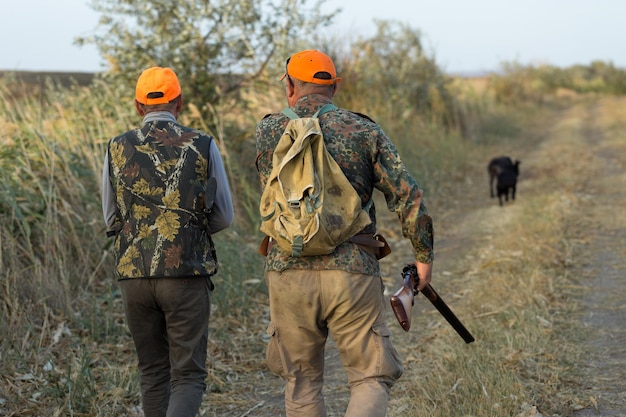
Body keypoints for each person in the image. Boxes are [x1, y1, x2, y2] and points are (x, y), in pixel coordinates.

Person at [254, 50, 434, 417]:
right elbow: (407, 195)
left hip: (287, 271)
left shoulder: (268, 130)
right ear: (335, 87)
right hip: (352, 271)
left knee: (301, 381)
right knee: (370, 376)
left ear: (289, 86)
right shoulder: (363, 130)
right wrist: (423, 256)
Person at [101, 66, 234, 417]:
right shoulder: (202, 143)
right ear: (179, 102)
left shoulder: (116, 146)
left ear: (137, 105)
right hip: (186, 274)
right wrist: (188, 232)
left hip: (133, 277)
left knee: (152, 372)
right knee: (187, 376)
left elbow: (111, 218)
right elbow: (224, 215)